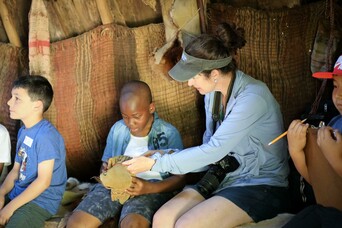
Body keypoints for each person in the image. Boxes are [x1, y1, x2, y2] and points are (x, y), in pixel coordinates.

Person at [123, 22, 290, 228]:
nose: (189, 83)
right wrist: (163, 155)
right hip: (223, 177)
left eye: (193, 76)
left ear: (215, 74)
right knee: (162, 220)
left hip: (261, 184)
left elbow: (213, 151)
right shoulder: (211, 93)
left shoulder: (253, 98)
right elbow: (208, 152)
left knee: (186, 225)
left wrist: (156, 164)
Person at [66, 80, 186, 228]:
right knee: (76, 224)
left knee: (133, 225)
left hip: (152, 188)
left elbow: (180, 178)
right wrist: (105, 171)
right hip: (116, 185)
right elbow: (105, 165)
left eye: (136, 116)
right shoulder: (118, 129)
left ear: (151, 107)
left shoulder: (168, 133)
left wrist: (148, 188)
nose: (130, 123)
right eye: (125, 116)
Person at [0, 75, 67, 227]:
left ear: (36, 105)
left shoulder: (46, 136)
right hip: (18, 193)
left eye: (17, 98)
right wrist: (1, 192)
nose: (9, 102)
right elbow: (16, 171)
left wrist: (9, 208)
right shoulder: (24, 130)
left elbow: (43, 182)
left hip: (39, 202)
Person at [284, 55, 342, 227]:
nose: (338, 96)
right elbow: (321, 183)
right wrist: (295, 151)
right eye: (336, 86)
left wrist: (336, 159)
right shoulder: (335, 124)